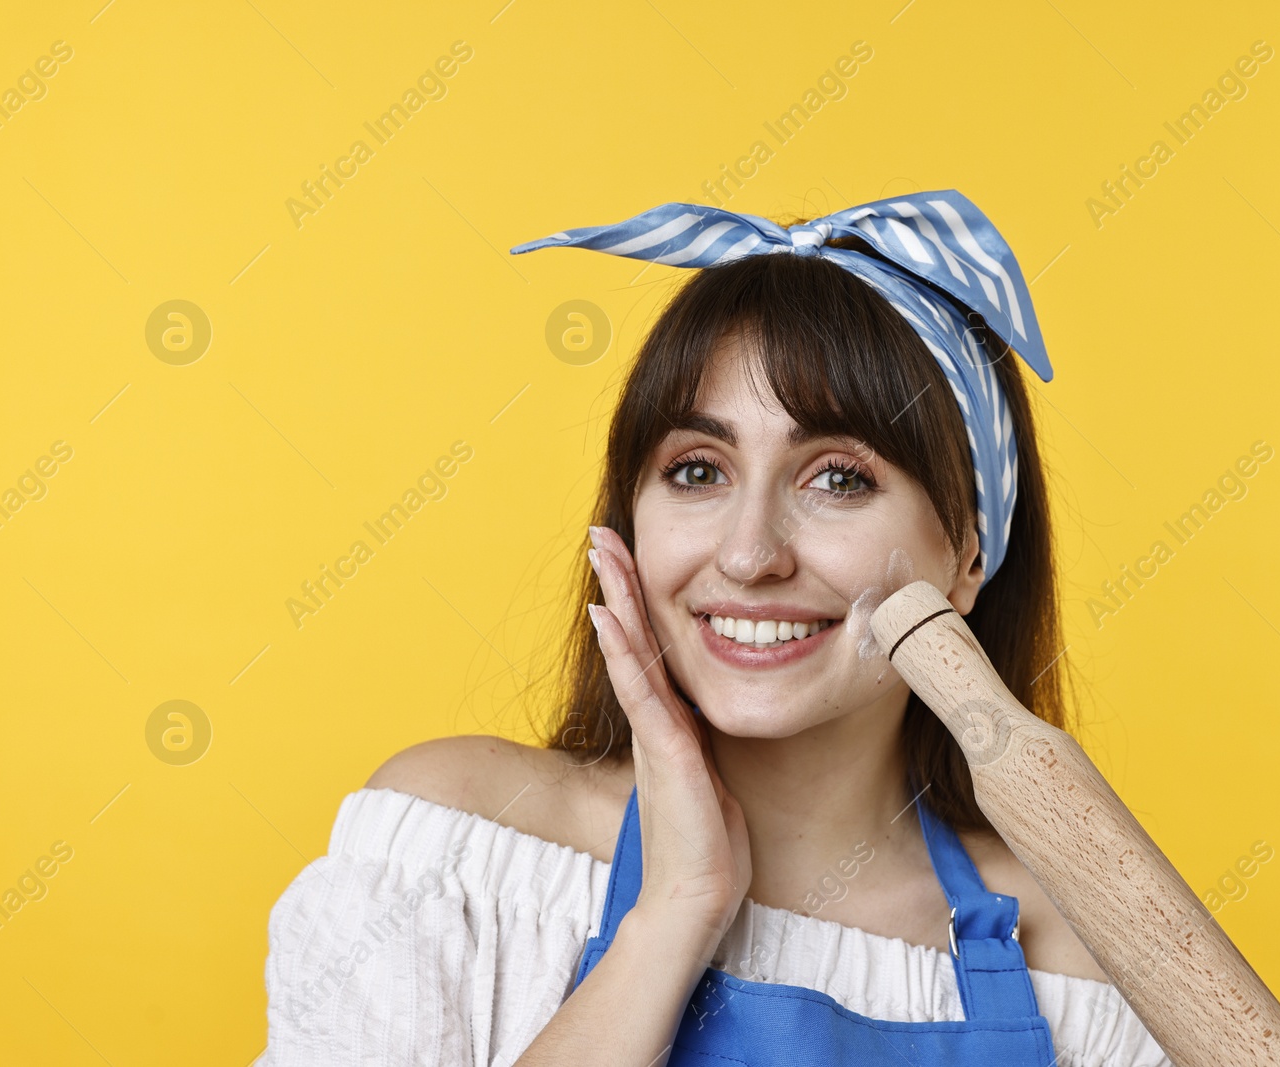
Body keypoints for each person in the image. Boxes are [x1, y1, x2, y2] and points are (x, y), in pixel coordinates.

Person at [256, 192, 1170, 1065]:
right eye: (698, 470)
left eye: (839, 478)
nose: (748, 553)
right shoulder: (459, 863)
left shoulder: (1083, 969)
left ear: (968, 554)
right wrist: (672, 916)